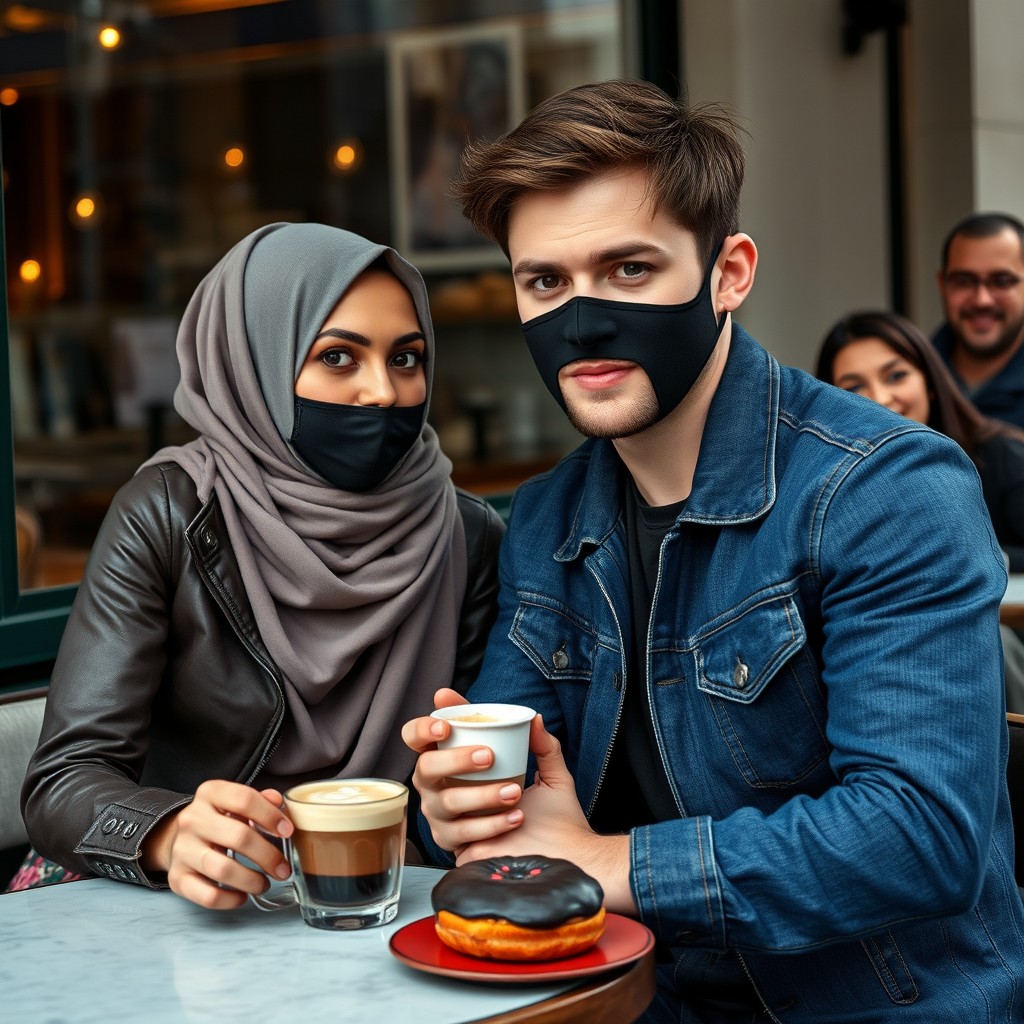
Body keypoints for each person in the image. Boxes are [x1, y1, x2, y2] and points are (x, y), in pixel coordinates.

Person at [401, 80, 1024, 1021]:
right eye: (546, 282)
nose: (584, 320)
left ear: (728, 273)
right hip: (632, 995)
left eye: (629, 269)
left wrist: (611, 863)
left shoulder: (888, 490)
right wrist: (458, 808)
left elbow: (919, 833)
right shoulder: (549, 514)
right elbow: (523, 790)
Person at [17, 223, 504, 908]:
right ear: (256, 365)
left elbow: (468, 775)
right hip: (177, 901)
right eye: (339, 358)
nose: (384, 393)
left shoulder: (467, 534)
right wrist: (168, 833)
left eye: (406, 358)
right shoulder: (168, 513)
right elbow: (65, 780)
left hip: (380, 894)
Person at [816, 308, 1024, 713]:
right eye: (853, 387)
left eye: (896, 376)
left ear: (929, 381)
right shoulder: (828, 490)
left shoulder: (1003, 456)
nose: (879, 398)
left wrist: (979, 555)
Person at [933, 211, 1024, 428]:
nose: (982, 300)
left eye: (1001, 281)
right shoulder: (911, 381)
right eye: (964, 281)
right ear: (942, 284)